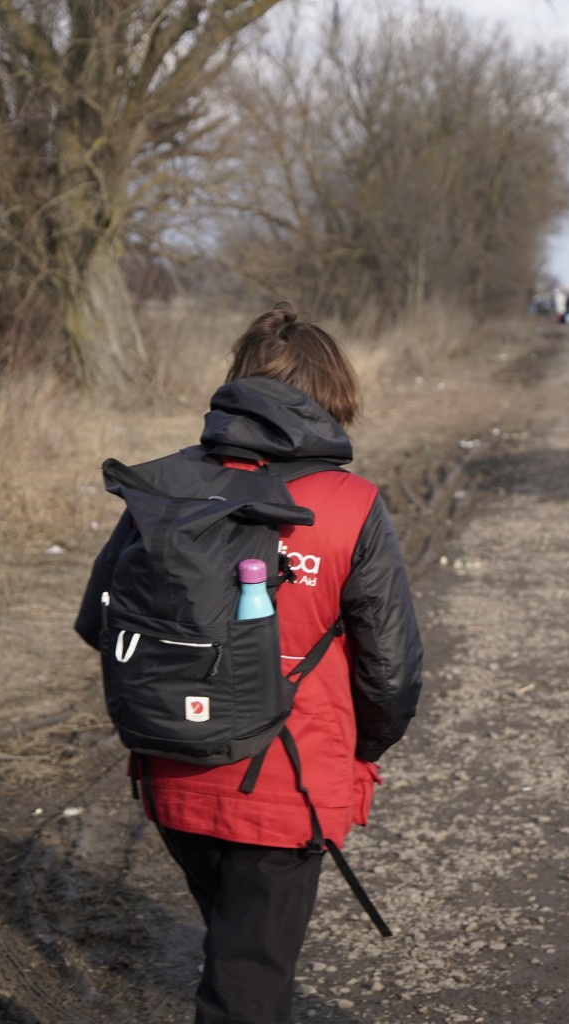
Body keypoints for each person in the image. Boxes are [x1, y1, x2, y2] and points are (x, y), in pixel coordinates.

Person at [76, 302, 423, 1024]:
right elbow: (390, 670)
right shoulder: (352, 505)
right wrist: (361, 750)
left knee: (234, 947)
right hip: (288, 787)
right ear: (334, 396)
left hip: (172, 769)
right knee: (247, 988)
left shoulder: (163, 485)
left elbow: (96, 622)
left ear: (239, 384)